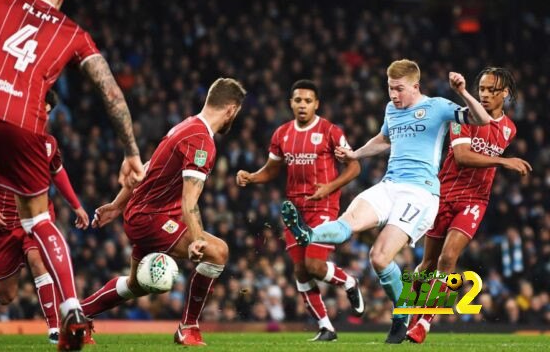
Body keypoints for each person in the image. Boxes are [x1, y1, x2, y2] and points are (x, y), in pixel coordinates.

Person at [0, 0, 143, 350]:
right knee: (40, 220)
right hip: (27, 123)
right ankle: (72, 310)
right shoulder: (74, 32)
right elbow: (109, 90)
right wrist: (131, 151)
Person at [281, 59, 494, 343]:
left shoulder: (438, 106)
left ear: (415, 86)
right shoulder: (392, 109)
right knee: (347, 222)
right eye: (390, 88)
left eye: (399, 89)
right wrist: (355, 154)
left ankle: (401, 313)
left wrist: (464, 92)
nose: (394, 95)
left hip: (421, 192)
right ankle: (309, 234)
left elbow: (483, 120)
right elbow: (383, 139)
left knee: (379, 258)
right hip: (389, 185)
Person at [79, 78, 246, 346]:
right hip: (151, 218)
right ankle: (188, 327)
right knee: (218, 252)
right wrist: (197, 239)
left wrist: (116, 205)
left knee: (137, 285)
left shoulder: (186, 126)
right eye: (236, 113)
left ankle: (79, 315)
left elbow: (146, 168)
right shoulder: (201, 141)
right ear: (231, 110)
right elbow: (189, 199)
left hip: (144, 213)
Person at [406, 67, 532, 343]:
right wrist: (503, 161)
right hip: (444, 194)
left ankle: (424, 323)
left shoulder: (509, 129)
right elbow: (462, 156)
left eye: (491, 90)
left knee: (448, 259)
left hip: (475, 200)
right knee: (427, 264)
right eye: (482, 89)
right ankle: (409, 312)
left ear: (505, 94)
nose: (484, 95)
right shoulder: (460, 116)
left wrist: (502, 162)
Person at [236, 80, 363, 342]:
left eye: (307, 101)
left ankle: (349, 282)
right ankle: (326, 327)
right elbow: (271, 171)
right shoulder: (281, 134)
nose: (302, 105)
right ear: (291, 103)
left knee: (314, 265)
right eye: (298, 100)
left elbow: (354, 167)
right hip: (295, 210)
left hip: (324, 206)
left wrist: (329, 187)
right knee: (300, 271)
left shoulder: (330, 131)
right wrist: (250, 177)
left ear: (316, 104)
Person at [0, 92, 90, 345]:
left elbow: (58, 173)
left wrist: (77, 205)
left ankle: (54, 330)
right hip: (3, 225)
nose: (42, 116)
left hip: (37, 217)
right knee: (7, 295)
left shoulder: (48, 143)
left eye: (46, 111)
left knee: (38, 260)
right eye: (38, 109)